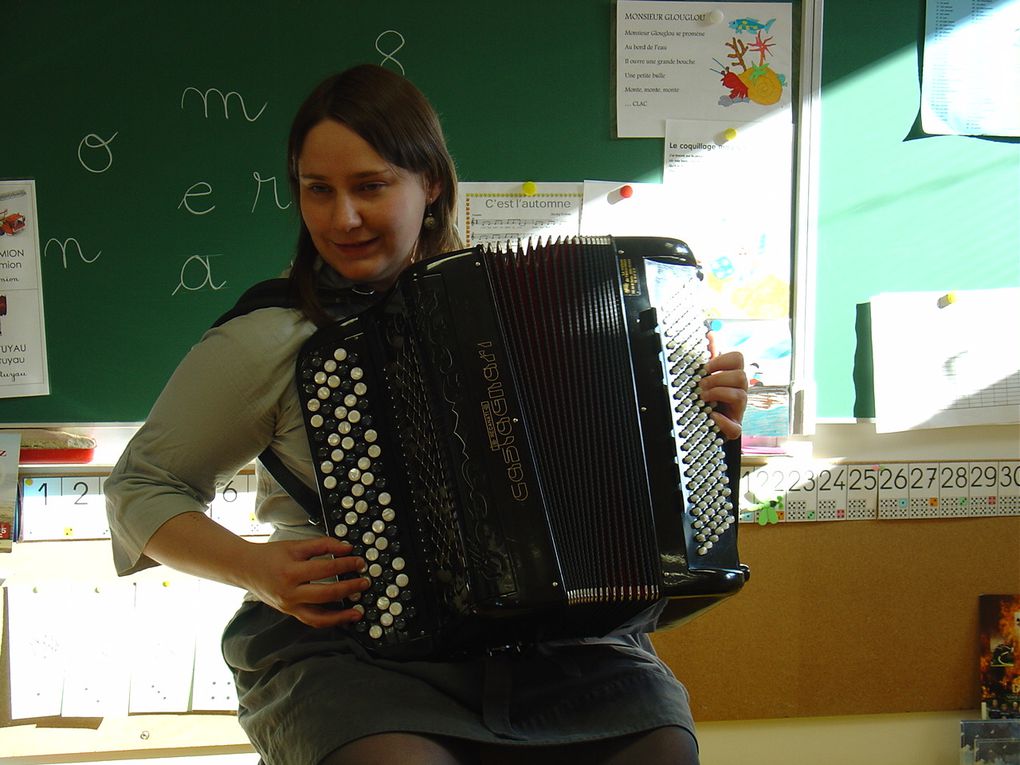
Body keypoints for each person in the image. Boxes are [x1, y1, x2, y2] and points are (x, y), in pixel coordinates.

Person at [105, 64, 749, 765]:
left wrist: (700, 421)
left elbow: (629, 479)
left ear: (430, 183)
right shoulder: (271, 334)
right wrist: (256, 569)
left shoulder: (510, 309)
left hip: (556, 648)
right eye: (318, 190)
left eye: (370, 186)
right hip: (349, 647)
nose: (341, 217)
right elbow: (142, 486)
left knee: (661, 749)